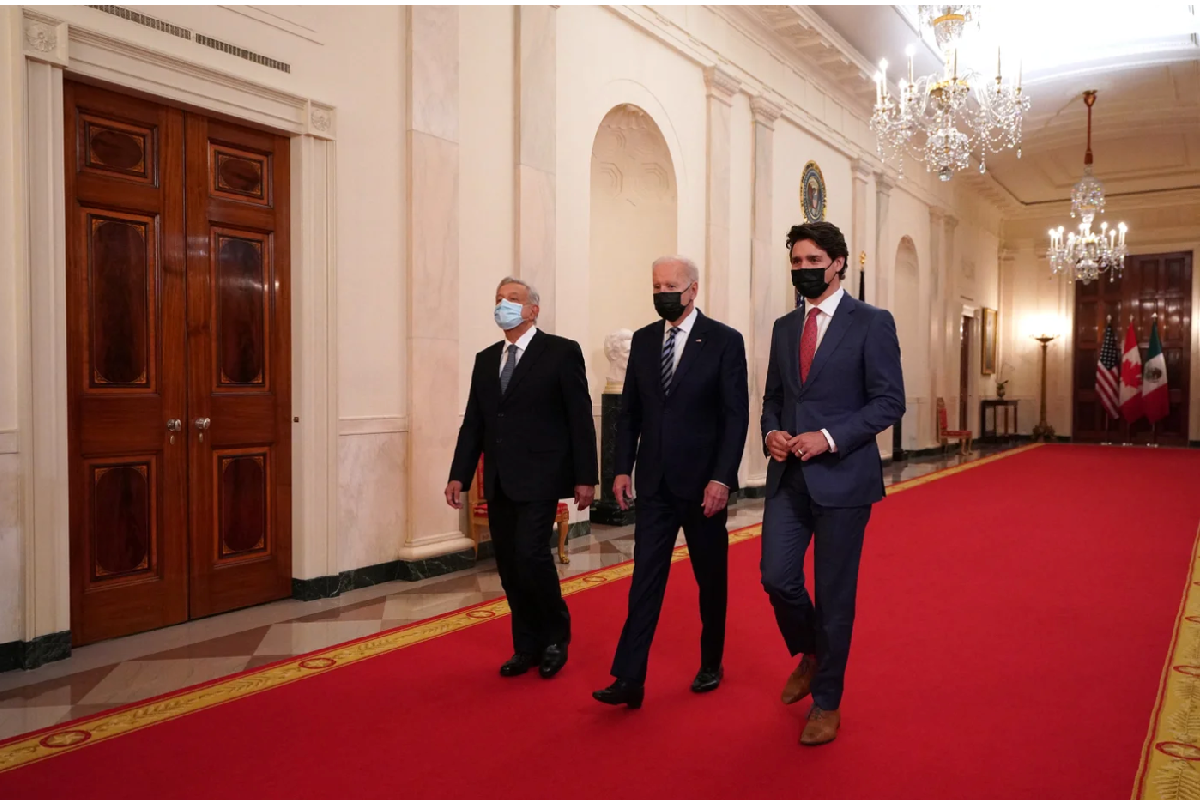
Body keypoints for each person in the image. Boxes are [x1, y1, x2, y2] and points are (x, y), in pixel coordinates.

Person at [759, 221, 904, 745]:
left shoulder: (871, 322)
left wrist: (828, 436)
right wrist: (772, 431)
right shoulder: (782, 327)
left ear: (838, 262)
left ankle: (826, 702)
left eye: (813, 260)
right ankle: (813, 653)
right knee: (776, 577)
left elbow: (889, 401)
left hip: (844, 480)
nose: (804, 270)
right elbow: (772, 397)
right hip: (789, 479)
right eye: (796, 262)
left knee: (836, 597)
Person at [593, 256, 749, 709]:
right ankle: (629, 677)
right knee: (645, 579)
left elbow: (734, 416)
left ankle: (710, 661)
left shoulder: (723, 341)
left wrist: (722, 478)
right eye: (656, 284)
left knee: (710, 579)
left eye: (671, 285)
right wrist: (622, 469)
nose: (663, 292)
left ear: (693, 290)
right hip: (655, 484)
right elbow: (631, 413)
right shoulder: (643, 341)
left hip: (704, 487)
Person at [446, 277, 598, 680]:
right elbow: (474, 424)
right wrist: (459, 475)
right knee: (510, 564)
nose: (503, 305)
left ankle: (554, 637)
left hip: (542, 476)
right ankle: (526, 644)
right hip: (499, 480)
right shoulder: (485, 358)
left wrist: (586, 476)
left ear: (533, 310)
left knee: (531, 554)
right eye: (498, 299)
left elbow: (579, 417)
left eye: (512, 299)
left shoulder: (561, 352)